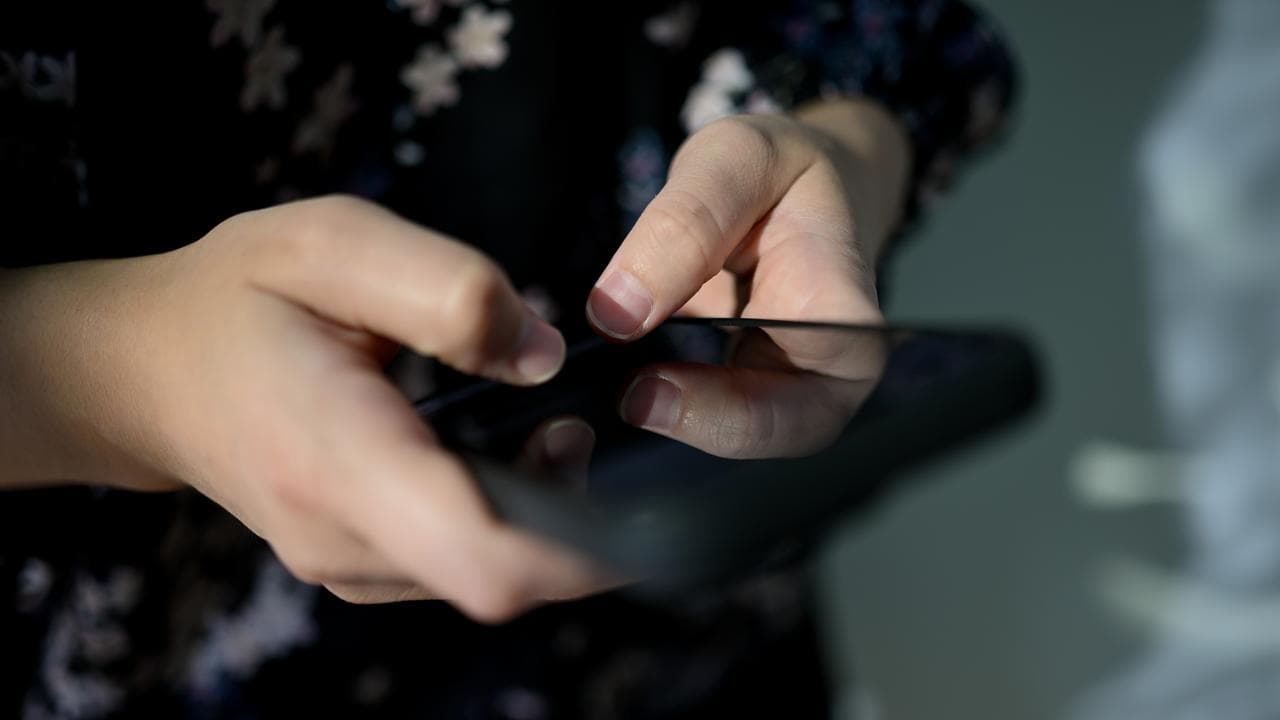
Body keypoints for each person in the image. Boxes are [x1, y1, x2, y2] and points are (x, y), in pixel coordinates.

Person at [0, 1, 1016, 716]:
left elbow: (862, 31)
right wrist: (121, 377)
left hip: (693, 637)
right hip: (178, 660)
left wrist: (834, 149)